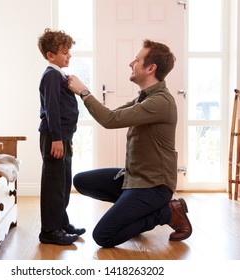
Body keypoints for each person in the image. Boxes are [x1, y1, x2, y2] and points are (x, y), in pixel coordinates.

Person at [67, 39, 192, 248]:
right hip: (134, 178)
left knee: (103, 236)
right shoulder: (144, 98)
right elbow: (113, 115)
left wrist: (84, 92)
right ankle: (133, 214)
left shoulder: (160, 101)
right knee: (81, 181)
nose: (130, 63)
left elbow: (109, 120)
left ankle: (167, 212)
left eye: (136, 60)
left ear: (150, 68)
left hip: (154, 186)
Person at [37, 28, 85, 246]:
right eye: (65, 52)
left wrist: (65, 138)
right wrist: (57, 138)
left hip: (63, 137)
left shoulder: (59, 75)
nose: (69, 56)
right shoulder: (51, 76)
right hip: (54, 137)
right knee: (54, 183)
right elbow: (52, 109)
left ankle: (61, 222)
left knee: (63, 181)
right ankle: (50, 230)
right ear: (51, 55)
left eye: (69, 51)